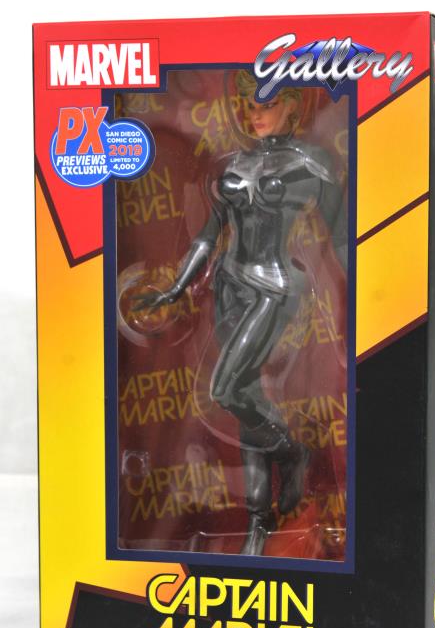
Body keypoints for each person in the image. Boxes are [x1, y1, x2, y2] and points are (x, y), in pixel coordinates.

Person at [134, 70, 345, 555]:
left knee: (225, 389)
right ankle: (258, 525)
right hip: (229, 287)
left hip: (276, 288)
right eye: (248, 105)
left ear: (292, 106)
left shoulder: (311, 164)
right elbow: (208, 236)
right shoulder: (232, 164)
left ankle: (292, 452)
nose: (254, 115)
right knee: (247, 400)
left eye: (265, 104)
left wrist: (352, 300)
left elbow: (339, 240)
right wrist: (175, 288)